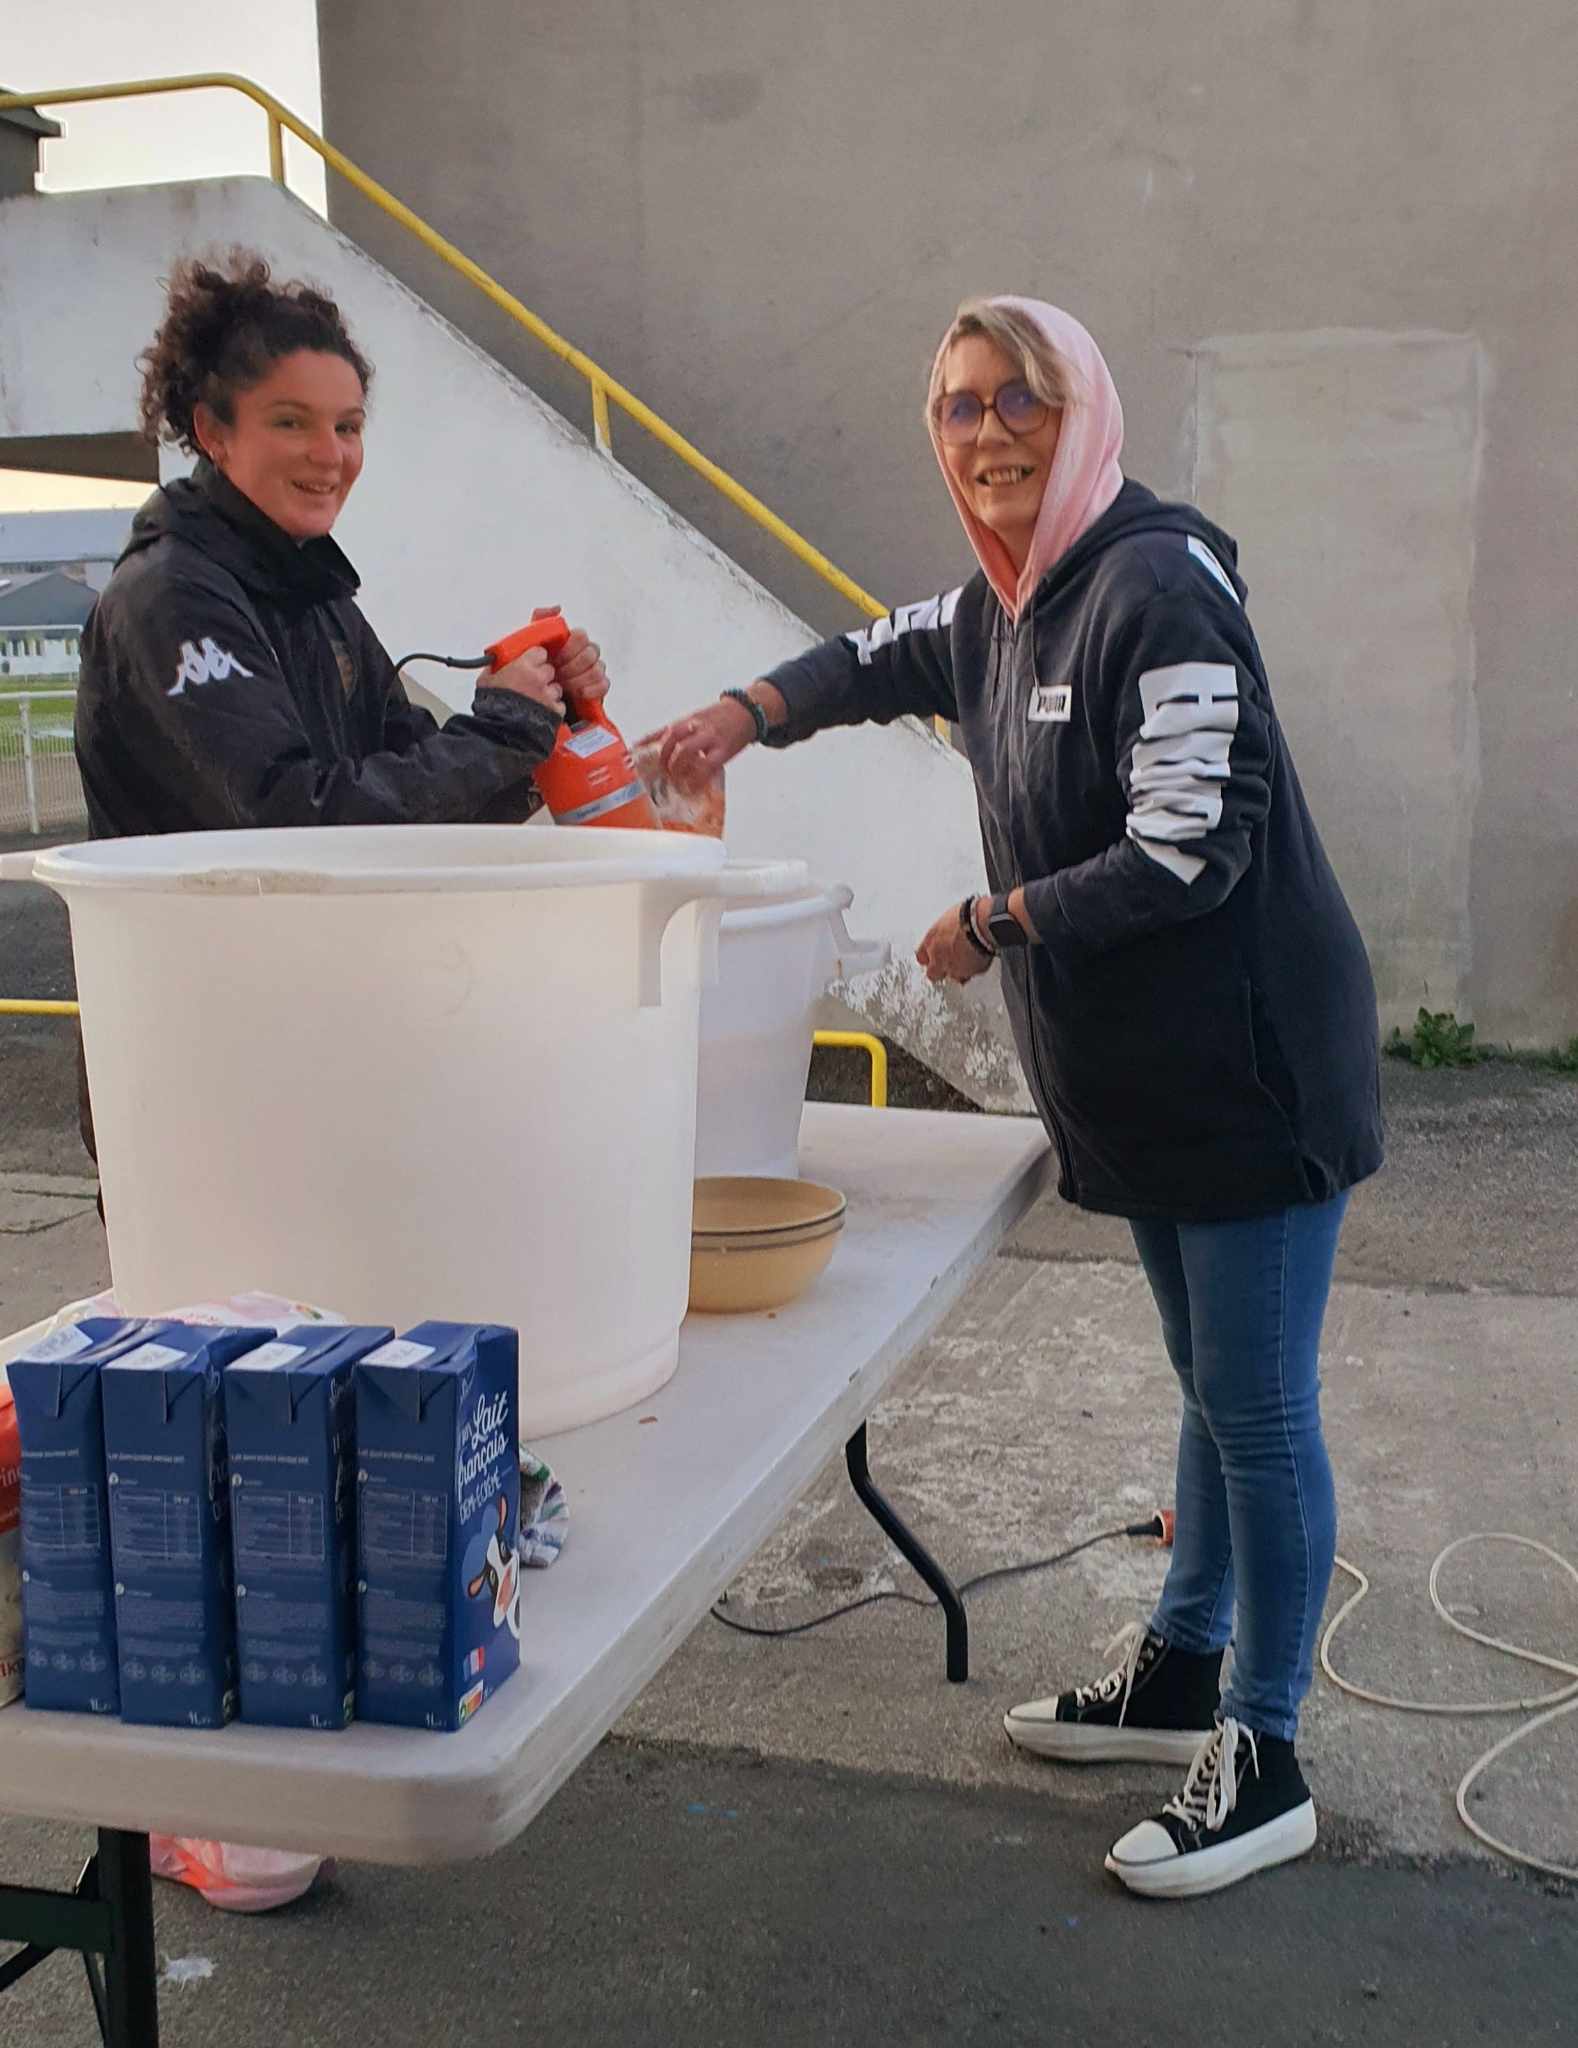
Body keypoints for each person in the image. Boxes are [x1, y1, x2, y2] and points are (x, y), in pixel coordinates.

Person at [656, 297, 1384, 1900]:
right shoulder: (1008, 598)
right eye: (959, 406)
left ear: (1084, 413)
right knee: (1208, 1394)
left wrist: (1000, 920)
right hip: (1142, 1087)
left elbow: (1192, 843)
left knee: (1257, 1416)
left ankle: (1263, 1753)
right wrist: (738, 715)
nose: (984, 433)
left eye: (1019, 401)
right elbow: (871, 654)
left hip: (1248, 1075)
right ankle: (1183, 1666)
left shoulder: (1149, 583)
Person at [74, 249, 608, 1175]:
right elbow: (296, 820)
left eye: (349, 426)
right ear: (213, 431)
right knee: (236, 1314)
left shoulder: (318, 598)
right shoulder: (170, 601)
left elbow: (421, 824)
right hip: (199, 1079)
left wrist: (538, 719)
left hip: (325, 1051)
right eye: (293, 422)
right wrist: (498, 728)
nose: (330, 455)